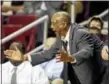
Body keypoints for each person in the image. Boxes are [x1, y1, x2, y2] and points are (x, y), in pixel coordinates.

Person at [4, 11, 105, 84]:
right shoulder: (61, 37)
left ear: (64, 24)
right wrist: (24, 58)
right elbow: (48, 54)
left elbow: (86, 51)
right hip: (74, 77)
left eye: (54, 23)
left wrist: (71, 58)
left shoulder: (80, 33)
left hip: (95, 76)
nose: (51, 27)